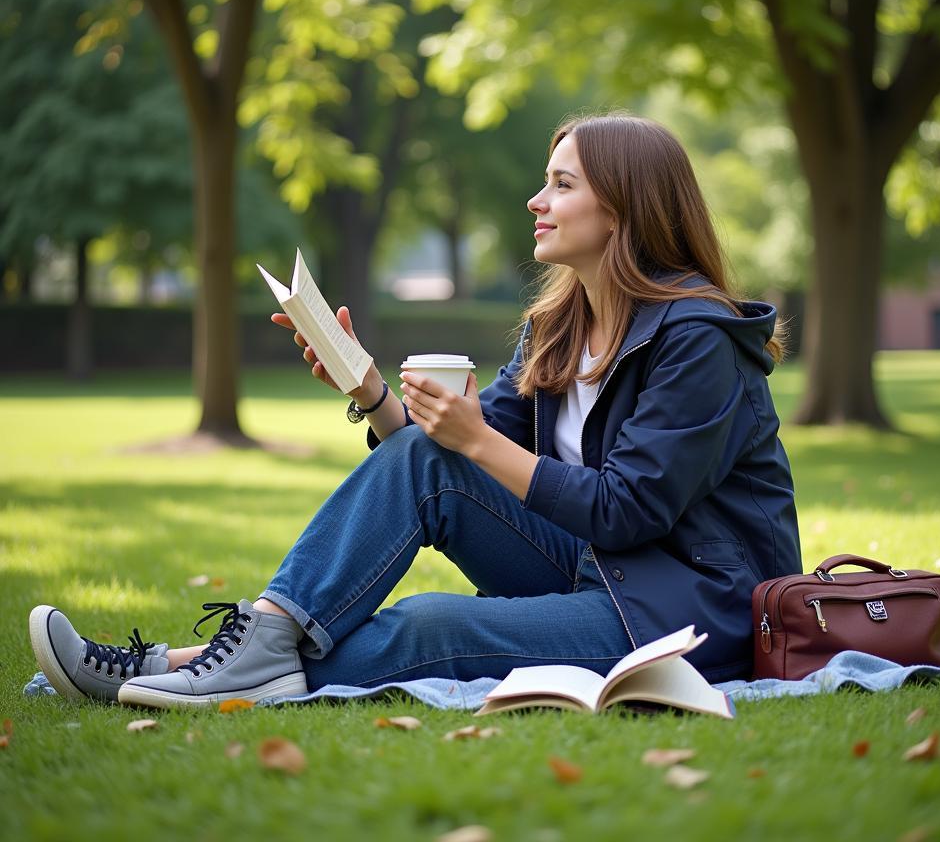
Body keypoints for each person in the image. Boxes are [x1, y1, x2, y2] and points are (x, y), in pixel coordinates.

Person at [29, 113, 801, 709]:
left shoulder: (698, 337)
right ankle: (253, 645)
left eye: (563, 185)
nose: (537, 200)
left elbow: (630, 508)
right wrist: (371, 392)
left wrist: (471, 438)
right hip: (585, 565)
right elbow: (446, 464)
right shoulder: (557, 325)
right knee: (426, 456)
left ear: (628, 207)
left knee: (430, 623)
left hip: (679, 612)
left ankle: (173, 667)